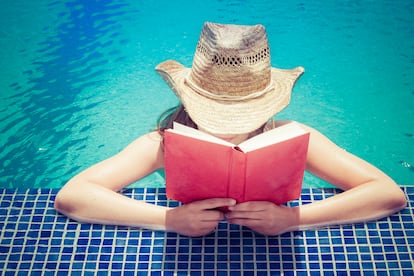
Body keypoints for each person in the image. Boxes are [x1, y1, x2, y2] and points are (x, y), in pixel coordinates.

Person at [54, 22, 406, 237]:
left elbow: (387, 194)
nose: (226, 130)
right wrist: (168, 220)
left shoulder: (296, 140)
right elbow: (74, 196)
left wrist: (293, 219)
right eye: (215, 116)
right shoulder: (163, 144)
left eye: (242, 116)